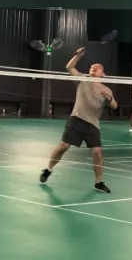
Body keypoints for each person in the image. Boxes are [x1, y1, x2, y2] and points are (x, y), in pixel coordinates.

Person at [39, 47, 117, 193]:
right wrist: (77, 56)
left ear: (103, 74)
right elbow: (69, 67)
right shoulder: (83, 80)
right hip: (77, 119)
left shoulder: (107, 90)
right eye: (92, 67)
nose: (94, 68)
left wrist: (109, 99)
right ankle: (48, 169)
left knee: (97, 153)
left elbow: (114, 105)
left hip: (93, 124)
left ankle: (99, 182)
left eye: (98, 68)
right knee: (63, 146)